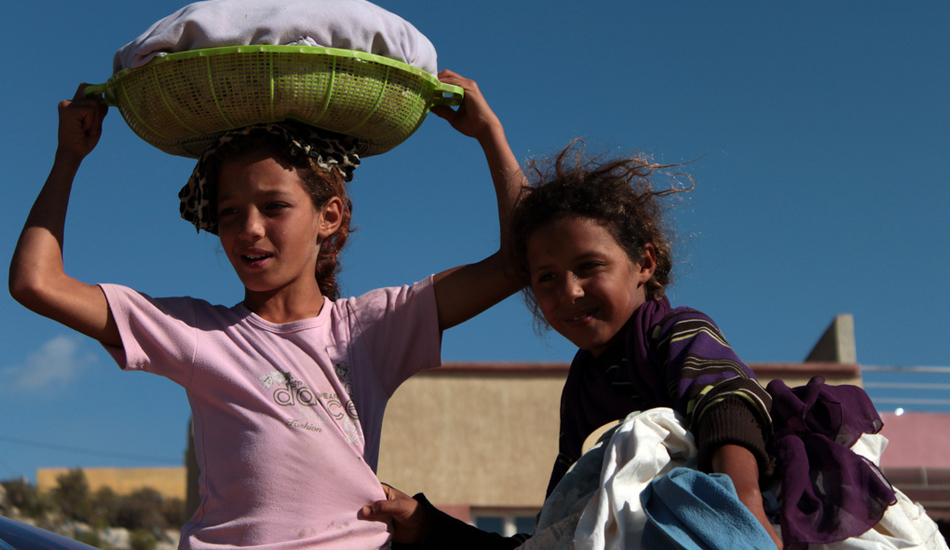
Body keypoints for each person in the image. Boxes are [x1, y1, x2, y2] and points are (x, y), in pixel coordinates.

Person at [9, 71, 525, 550]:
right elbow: (36, 283)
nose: (249, 229)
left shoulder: (371, 330)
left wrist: (490, 134)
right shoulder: (198, 333)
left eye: (274, 206)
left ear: (329, 216)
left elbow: (519, 263)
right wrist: (68, 157)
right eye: (230, 213)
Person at [364, 143, 784, 549]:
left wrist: (744, 510)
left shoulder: (675, 332)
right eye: (546, 277)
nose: (570, 291)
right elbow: (558, 531)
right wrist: (428, 527)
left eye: (589, 266)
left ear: (645, 263)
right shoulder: (584, 389)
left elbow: (727, 403)